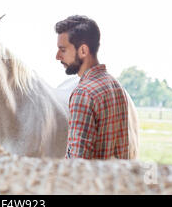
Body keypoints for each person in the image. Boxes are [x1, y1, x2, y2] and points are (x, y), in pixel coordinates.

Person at [55, 15, 129, 159]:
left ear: (83, 50)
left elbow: (77, 164)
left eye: (63, 50)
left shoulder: (83, 93)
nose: (57, 56)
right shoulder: (115, 85)